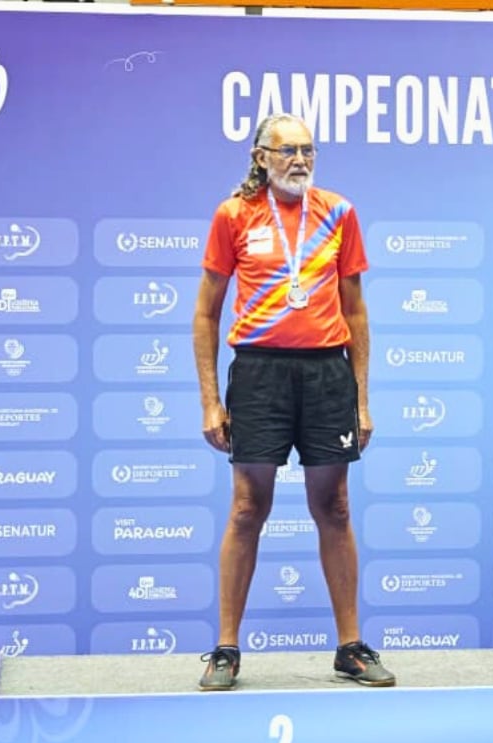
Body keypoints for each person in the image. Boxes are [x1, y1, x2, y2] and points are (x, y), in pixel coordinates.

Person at [192, 113, 394, 690]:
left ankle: (350, 648)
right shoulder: (233, 216)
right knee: (247, 508)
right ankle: (226, 649)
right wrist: (211, 400)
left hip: (327, 373)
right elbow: (206, 313)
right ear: (261, 157)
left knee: (334, 508)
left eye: (308, 150)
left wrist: (360, 399)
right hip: (258, 374)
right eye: (287, 151)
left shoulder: (338, 211)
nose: (299, 160)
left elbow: (355, 311)